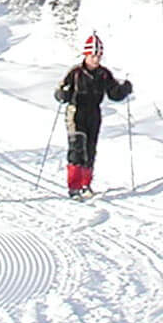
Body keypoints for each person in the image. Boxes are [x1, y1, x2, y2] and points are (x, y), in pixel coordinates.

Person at [54, 33, 134, 199]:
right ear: (86, 55)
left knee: (90, 149)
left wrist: (124, 89)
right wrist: (62, 94)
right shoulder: (75, 73)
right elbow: (60, 90)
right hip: (76, 112)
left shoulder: (104, 74)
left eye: (98, 56)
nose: (95, 59)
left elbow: (114, 94)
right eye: (92, 56)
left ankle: (85, 184)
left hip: (94, 113)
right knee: (77, 148)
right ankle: (74, 186)